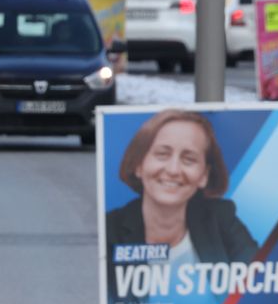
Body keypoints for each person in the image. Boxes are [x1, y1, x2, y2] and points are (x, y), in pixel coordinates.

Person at [105, 110, 258, 267]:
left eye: (189, 159)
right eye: (162, 154)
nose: (173, 170)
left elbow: (259, 276)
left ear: (204, 175)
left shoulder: (221, 219)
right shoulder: (110, 229)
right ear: (138, 165)